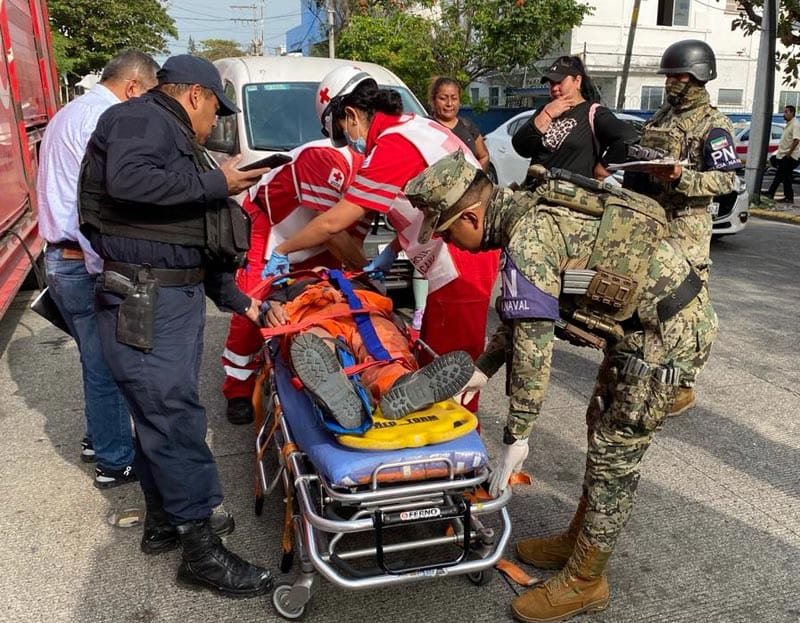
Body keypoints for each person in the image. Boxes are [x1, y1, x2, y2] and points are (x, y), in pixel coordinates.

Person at [404, 150, 717, 623]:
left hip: (665, 336)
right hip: (642, 328)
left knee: (615, 454)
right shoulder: (525, 213)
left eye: (447, 233)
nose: (451, 243)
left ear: (471, 216)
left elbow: (534, 350)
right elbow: (526, 312)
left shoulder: (528, 238)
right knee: (600, 424)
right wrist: (484, 368)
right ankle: (579, 540)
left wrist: (517, 436)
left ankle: (587, 580)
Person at [78, 54, 273, 597]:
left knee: (158, 416)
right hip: (147, 299)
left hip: (169, 295)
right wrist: (218, 182)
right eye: (215, 110)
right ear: (194, 95)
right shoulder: (140, 117)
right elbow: (129, 180)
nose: (214, 123)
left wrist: (243, 302)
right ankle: (200, 553)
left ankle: (165, 521)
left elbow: (188, 237)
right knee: (174, 418)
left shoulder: (173, 137)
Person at [262, 66, 499, 413]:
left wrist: (282, 249)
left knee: (450, 364)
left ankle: (456, 436)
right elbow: (421, 209)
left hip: (459, 261)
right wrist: (391, 250)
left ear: (351, 115)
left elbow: (335, 222)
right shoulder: (416, 128)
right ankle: (402, 393)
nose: (349, 143)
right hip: (460, 252)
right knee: (429, 354)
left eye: (343, 132)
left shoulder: (393, 146)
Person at [37, 49, 159, 488]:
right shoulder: (103, 121)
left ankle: (99, 439)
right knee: (107, 365)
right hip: (82, 260)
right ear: (133, 87)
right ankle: (114, 460)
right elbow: (97, 204)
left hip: (61, 256)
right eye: (148, 96)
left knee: (95, 359)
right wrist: (109, 267)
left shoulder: (70, 113)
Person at [621, 39, 739, 416]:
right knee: (647, 300)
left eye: (678, 77)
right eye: (668, 76)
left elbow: (727, 181)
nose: (670, 82)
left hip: (686, 228)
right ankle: (649, 369)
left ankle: (683, 384)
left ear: (699, 77)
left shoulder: (714, 125)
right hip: (651, 221)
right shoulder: (661, 117)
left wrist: (681, 179)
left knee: (687, 307)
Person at [221, 139, 368, 425]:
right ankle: (238, 388)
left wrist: (358, 276)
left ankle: (320, 370)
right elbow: (331, 228)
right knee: (252, 306)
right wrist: (364, 270)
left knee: (328, 305)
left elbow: (351, 240)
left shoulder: (372, 182)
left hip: (317, 238)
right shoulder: (325, 158)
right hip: (271, 227)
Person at [260, 270, 474, 426]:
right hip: (316, 314)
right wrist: (273, 308)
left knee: (384, 346)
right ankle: (341, 393)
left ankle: (399, 384)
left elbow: (388, 309)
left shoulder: (359, 279)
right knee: (314, 345)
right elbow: (270, 309)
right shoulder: (292, 286)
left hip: (364, 311)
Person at [511, 55, 638, 183]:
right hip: (534, 192)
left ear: (577, 81)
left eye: (559, 82)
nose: (554, 88)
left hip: (568, 194)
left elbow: (628, 136)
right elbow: (520, 147)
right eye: (551, 83)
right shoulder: (546, 110)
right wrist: (547, 114)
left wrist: (603, 169)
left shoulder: (593, 113)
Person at [765, 105, 800, 204]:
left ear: (792, 113)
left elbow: (796, 140)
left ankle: (786, 197)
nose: (784, 114)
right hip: (783, 155)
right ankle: (774, 193)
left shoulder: (795, 124)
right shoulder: (789, 124)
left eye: (786, 112)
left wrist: (789, 153)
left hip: (790, 156)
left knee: (783, 176)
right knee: (782, 176)